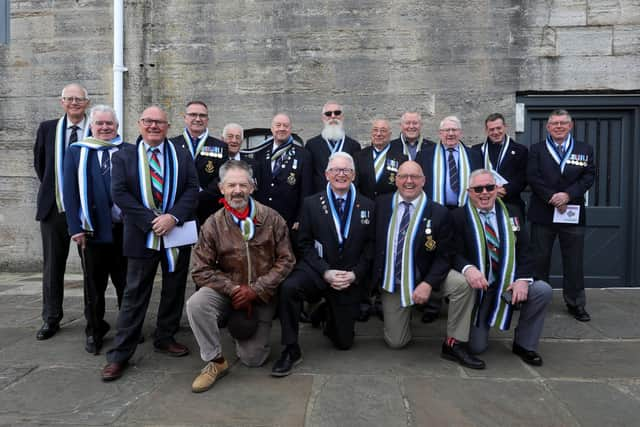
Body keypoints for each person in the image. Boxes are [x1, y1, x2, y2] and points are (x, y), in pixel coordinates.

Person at [101, 106, 199, 381]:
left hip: (177, 235)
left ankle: (165, 337)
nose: (153, 125)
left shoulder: (181, 154)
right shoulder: (124, 156)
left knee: (174, 288)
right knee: (134, 295)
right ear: (139, 124)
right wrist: (152, 221)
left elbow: (193, 188)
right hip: (141, 235)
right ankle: (120, 354)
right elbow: (119, 192)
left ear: (168, 126)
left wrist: (173, 217)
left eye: (159, 122)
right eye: (148, 121)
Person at [186, 160, 295, 393]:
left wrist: (255, 289)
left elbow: (287, 260)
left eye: (243, 185)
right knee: (196, 304)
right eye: (231, 185)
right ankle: (215, 361)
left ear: (253, 187)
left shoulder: (272, 218)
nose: (237, 191)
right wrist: (233, 289)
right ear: (221, 188)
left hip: (262, 293)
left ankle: (242, 329)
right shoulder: (212, 224)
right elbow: (199, 269)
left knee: (252, 360)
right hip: (228, 290)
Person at [373, 161, 485, 369]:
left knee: (463, 284)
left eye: (414, 177)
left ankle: (455, 342)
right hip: (394, 281)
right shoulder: (381, 205)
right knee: (396, 342)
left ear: (423, 181)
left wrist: (427, 283)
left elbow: (444, 256)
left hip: (427, 277)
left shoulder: (439, 213)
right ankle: (399, 315)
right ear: (396, 180)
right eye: (403, 176)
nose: (409, 181)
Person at [272, 152, 375, 377]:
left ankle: (325, 312)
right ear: (327, 174)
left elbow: (370, 248)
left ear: (354, 175)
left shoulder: (368, 205)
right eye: (336, 170)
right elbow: (304, 243)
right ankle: (290, 348)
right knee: (289, 288)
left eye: (346, 170)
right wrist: (325, 271)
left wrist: (355, 275)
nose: (341, 174)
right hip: (319, 269)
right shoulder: (311, 204)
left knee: (344, 343)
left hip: (348, 276)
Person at [452, 169, 552, 365]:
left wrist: (523, 280)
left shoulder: (512, 212)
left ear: (497, 189)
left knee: (542, 290)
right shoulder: (458, 217)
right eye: (478, 189)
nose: (484, 193)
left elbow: (525, 250)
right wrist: (468, 269)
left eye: (490, 187)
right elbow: (452, 253)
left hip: (509, 284)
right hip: (481, 288)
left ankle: (525, 344)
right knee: (476, 348)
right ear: (469, 192)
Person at [63, 105, 128, 354]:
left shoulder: (128, 151)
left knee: (126, 284)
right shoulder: (77, 152)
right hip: (91, 233)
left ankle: (127, 328)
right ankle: (94, 330)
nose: (104, 128)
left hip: (123, 231)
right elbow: (69, 194)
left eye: (109, 124)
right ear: (91, 126)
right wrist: (75, 228)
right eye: (99, 123)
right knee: (94, 286)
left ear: (117, 126)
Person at [34, 83, 91, 340]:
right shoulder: (48, 129)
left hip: (87, 213)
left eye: (79, 99)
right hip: (54, 209)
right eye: (69, 99)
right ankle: (51, 318)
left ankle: (94, 317)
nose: (74, 103)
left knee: (91, 267)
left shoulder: (96, 127)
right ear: (62, 102)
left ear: (86, 103)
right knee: (53, 267)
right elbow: (40, 165)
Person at [527, 109, 596, 322]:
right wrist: (552, 197)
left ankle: (576, 303)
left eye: (563, 123)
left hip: (571, 214)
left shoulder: (585, 149)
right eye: (554, 123)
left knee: (573, 261)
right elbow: (533, 176)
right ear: (548, 127)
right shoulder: (537, 149)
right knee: (539, 260)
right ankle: (537, 302)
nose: (558, 126)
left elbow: (589, 176)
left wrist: (567, 194)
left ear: (570, 125)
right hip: (543, 213)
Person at [415, 115, 482, 323]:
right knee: (433, 253)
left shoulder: (474, 155)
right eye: (446, 131)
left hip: (464, 212)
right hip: (436, 212)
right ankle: (433, 304)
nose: (450, 134)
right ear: (440, 133)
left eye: (454, 130)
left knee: (463, 252)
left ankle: (463, 300)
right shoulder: (424, 155)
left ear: (460, 132)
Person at [354, 119, 408, 321]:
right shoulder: (359, 156)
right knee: (364, 252)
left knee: (385, 253)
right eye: (375, 130)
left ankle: (381, 300)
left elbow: (403, 186)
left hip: (389, 214)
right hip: (363, 213)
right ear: (371, 133)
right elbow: (355, 186)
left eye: (383, 131)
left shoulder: (400, 157)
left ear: (390, 133)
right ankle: (364, 300)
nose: (379, 134)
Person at [170, 101, 228, 225]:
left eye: (202, 115)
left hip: (209, 209)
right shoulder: (171, 145)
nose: (197, 119)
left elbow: (222, 177)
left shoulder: (220, 146)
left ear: (207, 119)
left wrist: (198, 197)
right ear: (185, 118)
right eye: (193, 115)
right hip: (177, 208)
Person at [253, 113, 313, 230]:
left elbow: (306, 190)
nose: (281, 128)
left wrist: (300, 218)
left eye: (285, 126)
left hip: (289, 221)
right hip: (262, 219)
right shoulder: (259, 154)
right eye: (278, 125)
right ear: (272, 128)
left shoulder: (303, 155)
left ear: (290, 129)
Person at [471, 113, 528, 221]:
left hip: (510, 202)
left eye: (499, 128)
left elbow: (523, 177)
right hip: (482, 204)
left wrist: (505, 189)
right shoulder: (476, 151)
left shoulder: (520, 150)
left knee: (513, 237)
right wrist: (488, 191)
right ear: (486, 131)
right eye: (492, 129)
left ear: (505, 127)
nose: (496, 132)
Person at [305, 101, 361, 193]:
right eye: (328, 114)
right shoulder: (311, 145)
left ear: (342, 117)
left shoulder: (354, 146)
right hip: (319, 198)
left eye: (337, 113)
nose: (333, 116)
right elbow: (308, 177)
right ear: (323, 118)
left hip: (346, 196)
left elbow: (356, 177)